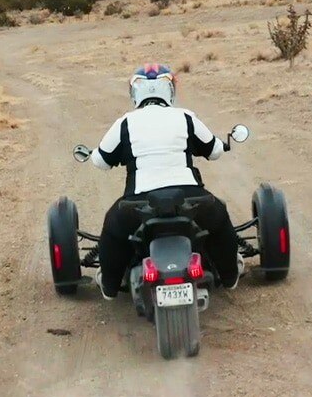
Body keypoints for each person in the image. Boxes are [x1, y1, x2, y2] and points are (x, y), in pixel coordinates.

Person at [91, 63, 242, 300]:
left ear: (135, 92)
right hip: (190, 198)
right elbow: (214, 151)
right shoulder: (185, 116)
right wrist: (222, 145)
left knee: (113, 230)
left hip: (139, 203)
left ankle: (109, 287)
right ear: (170, 90)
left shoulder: (125, 123)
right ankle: (230, 276)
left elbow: (100, 161)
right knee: (219, 219)